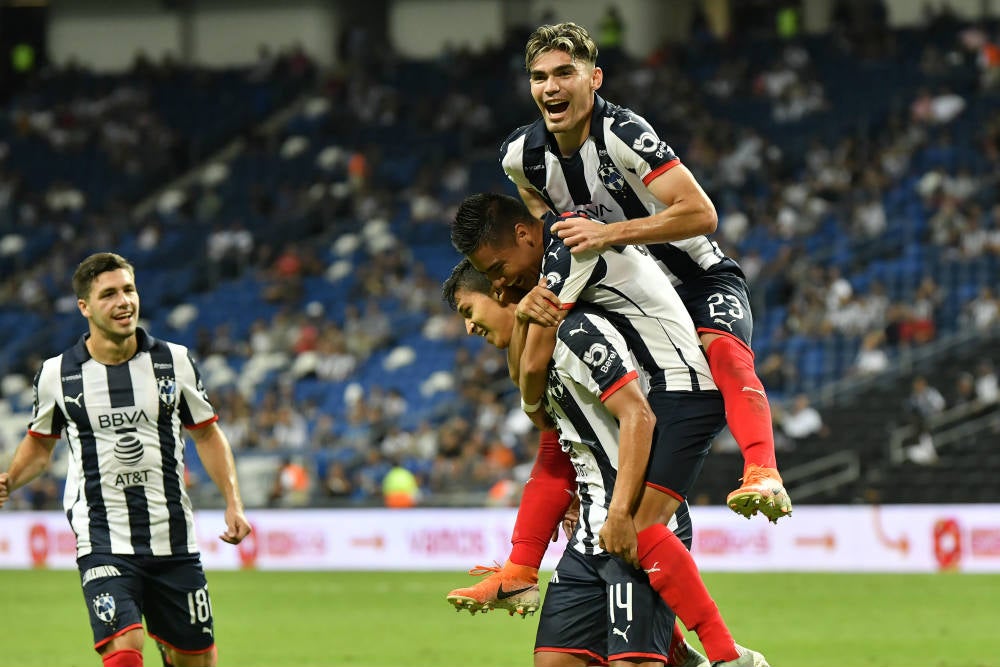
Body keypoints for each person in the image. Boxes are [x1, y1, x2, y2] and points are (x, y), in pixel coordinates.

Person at [451, 198, 769, 667]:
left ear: (502, 293)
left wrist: (618, 510)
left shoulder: (578, 331)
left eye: (470, 306)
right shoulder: (538, 344)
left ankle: (723, 655)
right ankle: (691, 654)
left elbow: (637, 416)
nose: (468, 325)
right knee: (553, 662)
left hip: (629, 514)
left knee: (632, 660)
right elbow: (553, 443)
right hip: (589, 532)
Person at [500, 21, 791, 522]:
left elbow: (701, 213)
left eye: (565, 73)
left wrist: (607, 233)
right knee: (586, 379)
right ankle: (581, 494)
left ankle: (763, 471)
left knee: (725, 355)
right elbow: (533, 201)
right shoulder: (520, 157)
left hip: (696, 279)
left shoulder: (624, 133)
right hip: (628, 298)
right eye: (539, 77)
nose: (551, 87)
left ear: (594, 79)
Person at [0, 252, 251, 667]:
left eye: (129, 290)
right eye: (109, 294)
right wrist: (10, 478)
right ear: (85, 307)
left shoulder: (174, 361)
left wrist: (233, 502)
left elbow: (207, 433)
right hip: (102, 536)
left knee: (196, 659)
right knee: (123, 646)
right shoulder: (57, 375)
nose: (124, 302)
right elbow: (40, 444)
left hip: (172, 536)